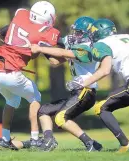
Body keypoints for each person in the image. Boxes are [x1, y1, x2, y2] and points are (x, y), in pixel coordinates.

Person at [0, 1, 60, 148]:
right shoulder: (45, 32)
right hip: (11, 73)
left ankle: (5, 139)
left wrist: (15, 45)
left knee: (12, 101)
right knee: (35, 97)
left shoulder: (21, 16)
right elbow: (55, 62)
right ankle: (34, 138)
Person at [30, 16, 102, 152]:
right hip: (79, 92)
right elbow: (55, 61)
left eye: (79, 32)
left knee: (60, 118)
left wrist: (40, 48)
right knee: (44, 111)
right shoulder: (76, 45)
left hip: (86, 90)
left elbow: (62, 52)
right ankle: (48, 140)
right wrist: (39, 38)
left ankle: (90, 144)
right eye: (75, 31)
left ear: (89, 34)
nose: (75, 35)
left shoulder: (87, 48)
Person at [78, 18, 129, 152]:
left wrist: (82, 83)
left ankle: (125, 144)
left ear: (99, 32)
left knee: (101, 108)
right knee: (111, 97)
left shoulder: (102, 43)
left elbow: (105, 70)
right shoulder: (127, 36)